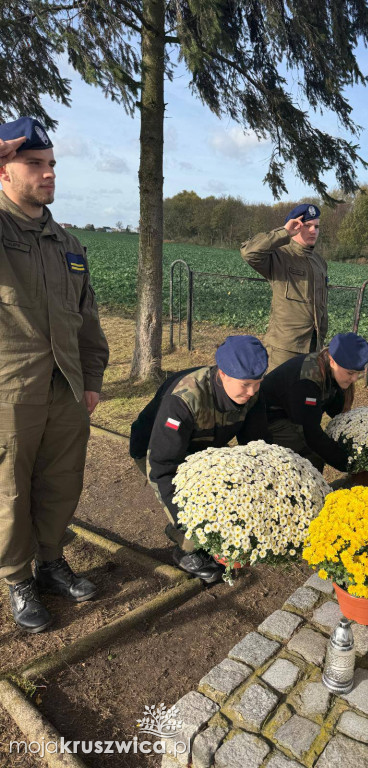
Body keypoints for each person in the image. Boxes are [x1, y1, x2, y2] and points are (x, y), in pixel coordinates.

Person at [0, 117, 109, 633]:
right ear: (3, 171)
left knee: (61, 481)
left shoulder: (67, 243)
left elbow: (86, 319)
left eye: (52, 166)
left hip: (65, 386)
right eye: (34, 164)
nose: (48, 175)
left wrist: (91, 379)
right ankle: (18, 577)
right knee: (9, 489)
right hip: (9, 390)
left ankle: (49, 561)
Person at [130, 335, 269, 582]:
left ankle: (183, 532)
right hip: (157, 451)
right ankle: (184, 550)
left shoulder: (253, 393)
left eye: (257, 383)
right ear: (223, 374)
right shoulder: (184, 399)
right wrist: (192, 524)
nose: (251, 392)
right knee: (199, 503)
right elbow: (162, 466)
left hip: (202, 450)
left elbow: (254, 448)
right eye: (245, 384)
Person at [261, 332, 368, 473]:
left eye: (358, 373)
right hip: (268, 421)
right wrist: (349, 464)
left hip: (290, 415)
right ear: (332, 361)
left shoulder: (327, 368)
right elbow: (309, 433)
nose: (355, 379)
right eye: (350, 373)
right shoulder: (308, 381)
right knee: (313, 457)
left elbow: (336, 411)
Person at [240, 203, 328, 371]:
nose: (313, 231)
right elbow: (249, 252)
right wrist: (284, 232)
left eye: (316, 227)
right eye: (307, 226)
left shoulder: (320, 262)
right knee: (277, 395)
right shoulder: (280, 256)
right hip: (284, 348)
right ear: (294, 226)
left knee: (306, 395)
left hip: (313, 347)